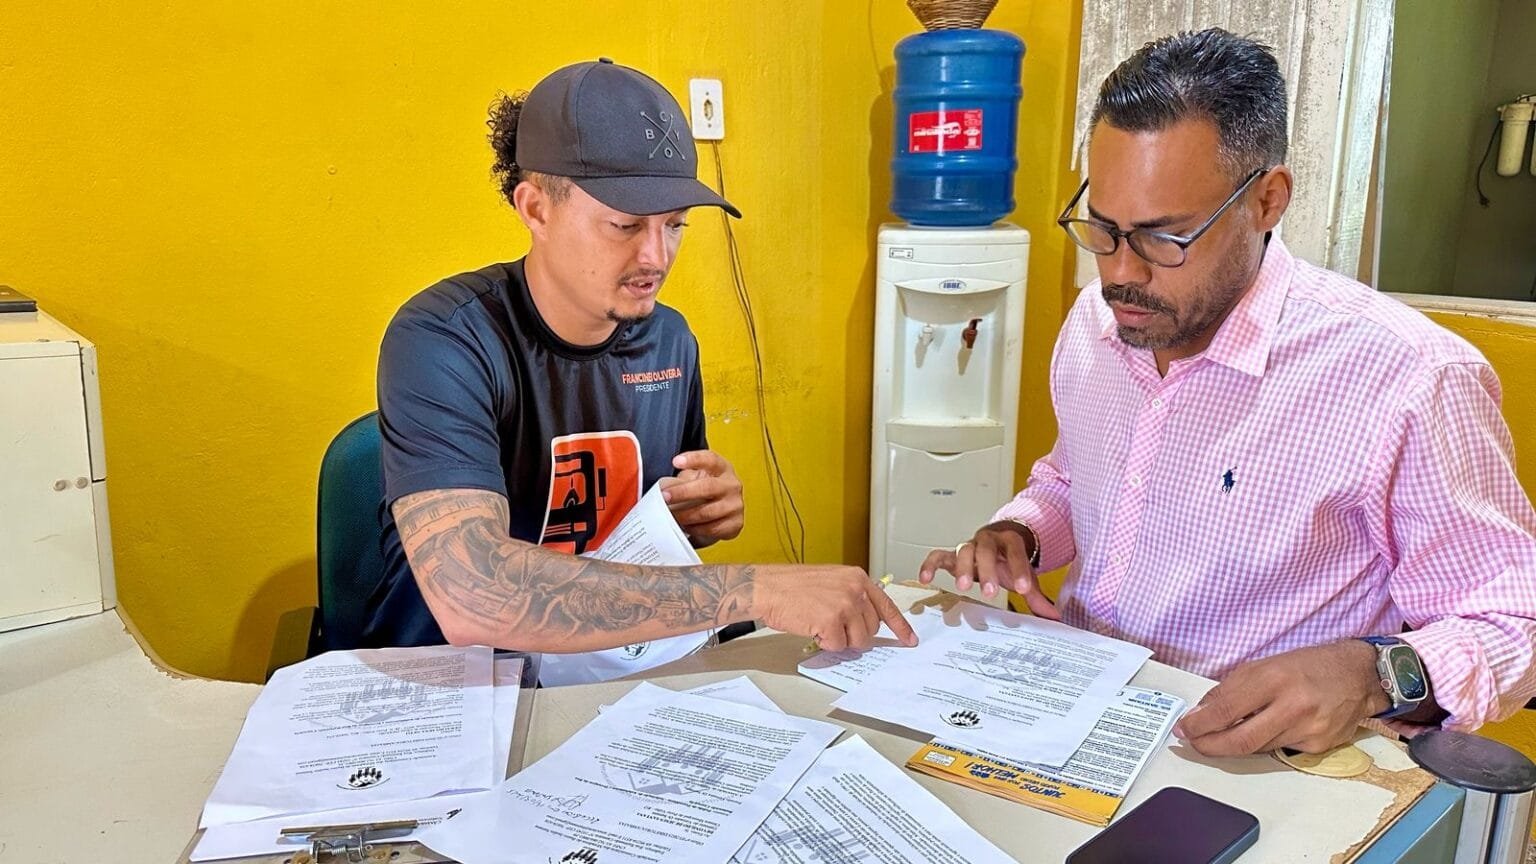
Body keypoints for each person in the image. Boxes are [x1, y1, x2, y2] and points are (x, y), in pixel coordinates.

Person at [921, 29, 1536, 756]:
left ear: (1267, 201)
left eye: (1164, 237)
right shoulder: (1100, 319)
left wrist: (1372, 673)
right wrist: (1021, 530)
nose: (1122, 273)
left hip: (1256, 764)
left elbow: (1513, 621)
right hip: (1077, 714)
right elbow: (1077, 474)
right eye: (1103, 229)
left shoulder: (1407, 377)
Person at [363, 58, 916, 677]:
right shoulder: (445, 337)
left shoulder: (669, 342)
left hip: (607, 678)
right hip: (450, 693)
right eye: (624, 225)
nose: (656, 256)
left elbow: (643, 540)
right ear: (536, 208)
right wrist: (752, 588)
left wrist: (701, 518)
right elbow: (472, 593)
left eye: (675, 225)